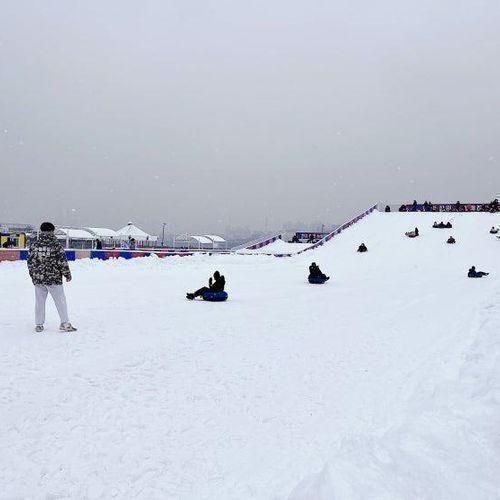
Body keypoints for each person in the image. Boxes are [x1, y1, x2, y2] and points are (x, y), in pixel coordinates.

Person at [27, 222, 77, 333]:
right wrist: (67, 274)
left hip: (38, 278)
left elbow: (30, 262)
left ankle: (39, 324)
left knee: (39, 302)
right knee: (60, 301)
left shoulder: (34, 245)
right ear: (51, 231)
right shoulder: (56, 245)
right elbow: (62, 262)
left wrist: (33, 275)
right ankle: (64, 323)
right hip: (53, 279)